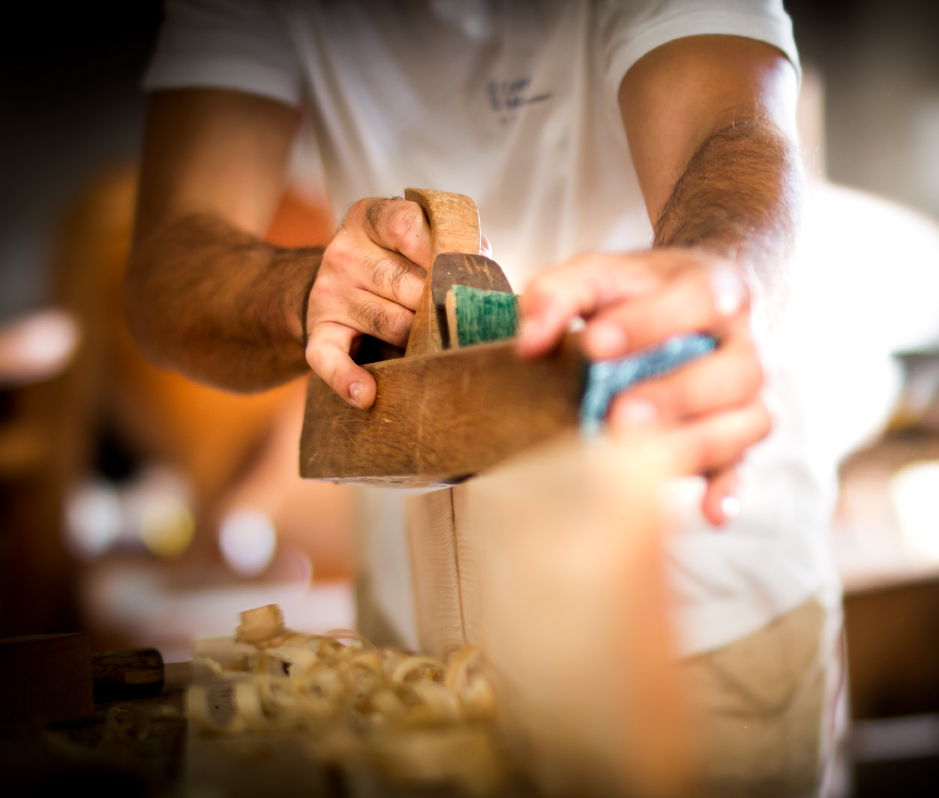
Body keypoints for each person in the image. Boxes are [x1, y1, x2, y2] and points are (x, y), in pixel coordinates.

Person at [127, 1, 843, 793]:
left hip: (698, 615)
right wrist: (307, 294)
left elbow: (734, 138)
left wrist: (719, 266)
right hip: (417, 650)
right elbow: (170, 259)